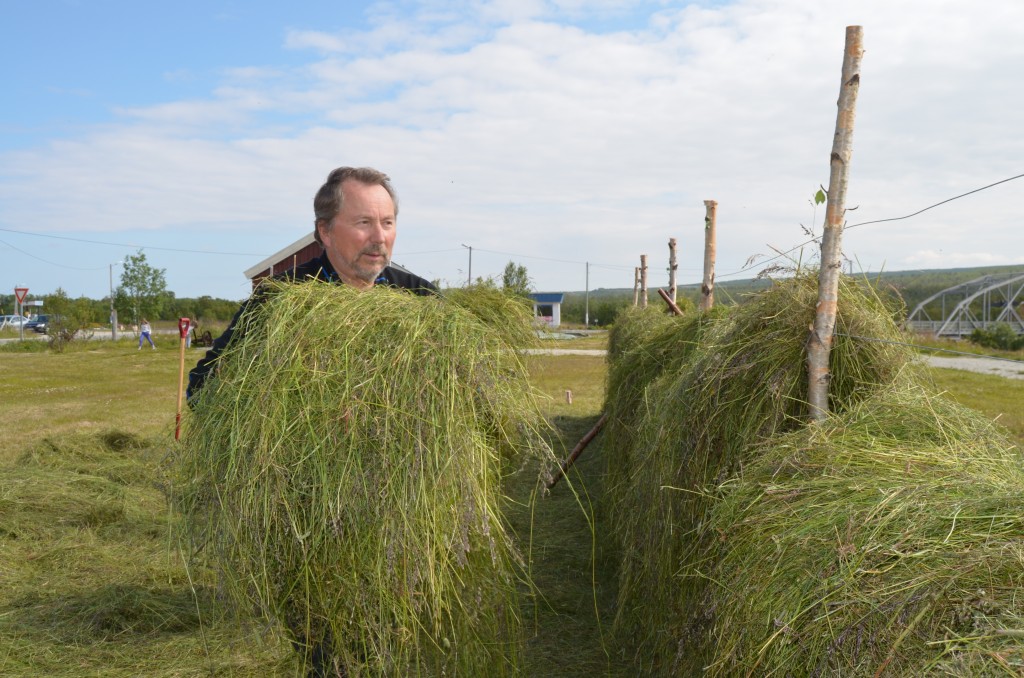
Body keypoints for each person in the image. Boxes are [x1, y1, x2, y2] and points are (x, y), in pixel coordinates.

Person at [186, 166, 436, 677]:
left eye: (387, 222)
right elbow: (204, 386)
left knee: (396, 640)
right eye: (363, 222)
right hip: (309, 515)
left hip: (399, 510)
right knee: (326, 650)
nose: (379, 237)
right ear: (325, 231)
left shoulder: (422, 303)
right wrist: (291, 418)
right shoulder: (278, 303)